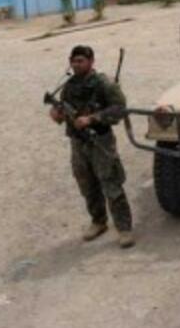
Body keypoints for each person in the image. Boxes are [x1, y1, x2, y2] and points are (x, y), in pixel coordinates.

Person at [49, 45, 135, 248]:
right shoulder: (69, 86)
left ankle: (124, 228)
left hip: (101, 141)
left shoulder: (104, 84)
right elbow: (62, 113)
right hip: (78, 143)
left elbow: (120, 109)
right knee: (87, 185)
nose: (76, 65)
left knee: (111, 184)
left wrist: (92, 119)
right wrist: (57, 115)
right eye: (74, 61)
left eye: (81, 61)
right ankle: (98, 221)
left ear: (91, 61)